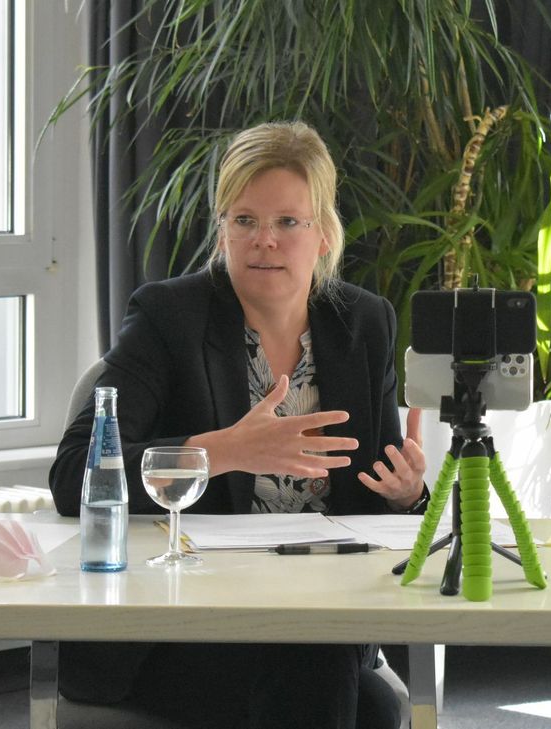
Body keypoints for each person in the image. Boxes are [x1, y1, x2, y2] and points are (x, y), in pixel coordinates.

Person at [49, 121, 427, 729]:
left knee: (359, 693)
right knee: (343, 690)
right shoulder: (169, 317)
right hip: (187, 624)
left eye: (287, 222)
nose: (264, 242)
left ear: (324, 234)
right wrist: (223, 451)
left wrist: (407, 492)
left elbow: (371, 507)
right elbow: (74, 476)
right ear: (222, 230)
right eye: (244, 220)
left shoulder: (363, 325)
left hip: (324, 615)